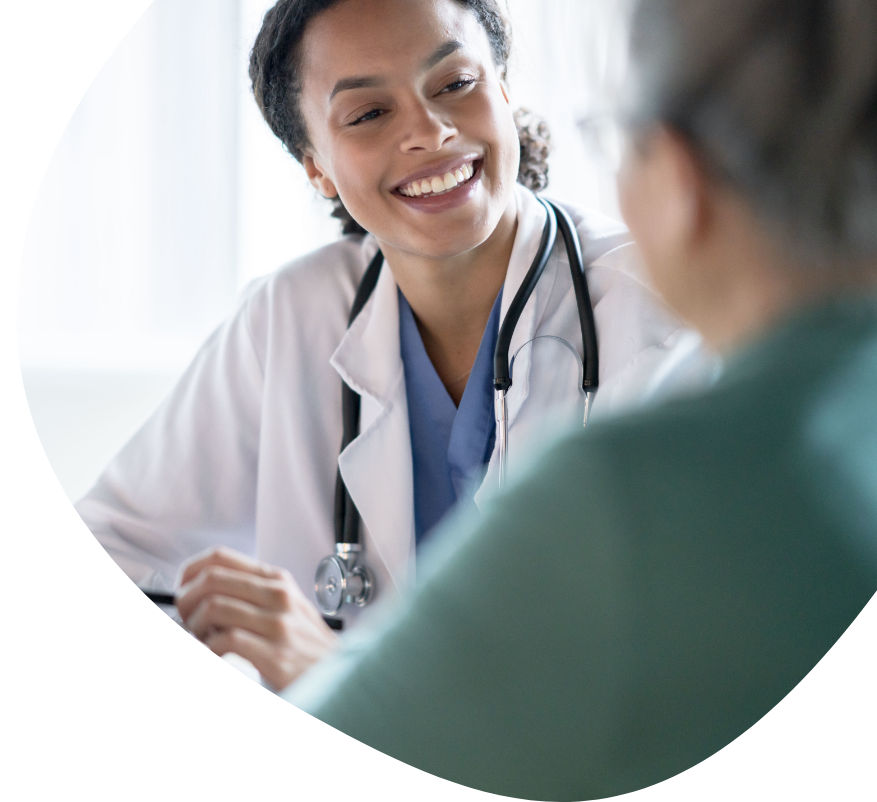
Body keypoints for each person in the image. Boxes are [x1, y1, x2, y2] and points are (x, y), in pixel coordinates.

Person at [277, 0, 877, 796]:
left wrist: (327, 662)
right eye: (368, 111)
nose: (426, 132)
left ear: (678, 176)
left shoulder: (628, 495)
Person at [75, 0, 709, 691]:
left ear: (502, 90)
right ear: (315, 166)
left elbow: (691, 666)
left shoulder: (664, 311)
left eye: (455, 84)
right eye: (369, 114)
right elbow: (119, 544)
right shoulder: (287, 319)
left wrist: (342, 677)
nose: (429, 131)